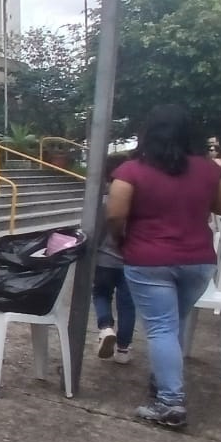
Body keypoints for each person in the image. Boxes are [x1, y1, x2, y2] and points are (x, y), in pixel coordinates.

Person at [106, 105, 221, 428]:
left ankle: (170, 402)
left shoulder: (131, 171)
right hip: (198, 261)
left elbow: (116, 214)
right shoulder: (209, 170)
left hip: (148, 259)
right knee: (172, 325)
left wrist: (122, 240)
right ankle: (162, 382)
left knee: (161, 328)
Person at [95, 153, 136, 364]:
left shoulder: (103, 201)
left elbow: (97, 232)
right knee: (128, 304)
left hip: (104, 259)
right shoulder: (138, 202)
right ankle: (123, 349)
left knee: (101, 294)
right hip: (131, 260)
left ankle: (105, 327)